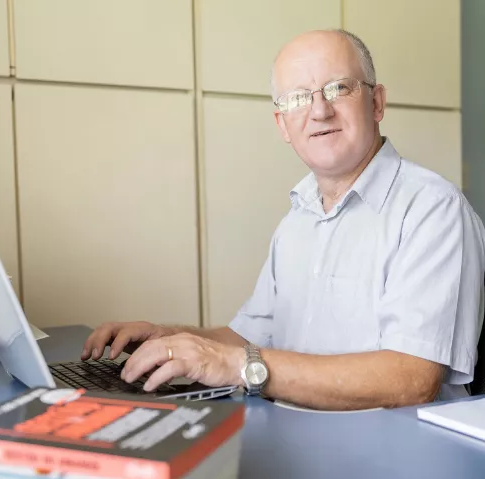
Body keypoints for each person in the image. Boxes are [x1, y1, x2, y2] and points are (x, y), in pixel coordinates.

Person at [81, 29, 485, 410]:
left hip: (396, 449)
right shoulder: (299, 217)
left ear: (377, 103)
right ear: (282, 125)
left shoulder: (433, 209)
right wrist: (171, 339)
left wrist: (237, 365)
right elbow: (250, 338)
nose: (320, 111)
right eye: (298, 99)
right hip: (293, 431)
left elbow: (411, 379)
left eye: (339, 88)